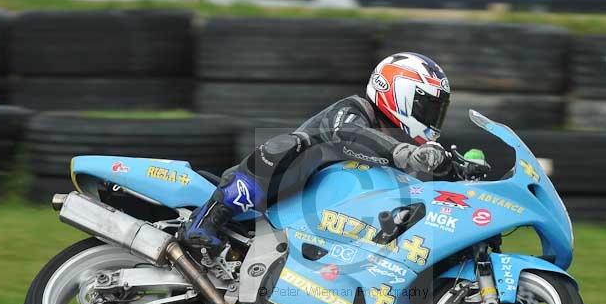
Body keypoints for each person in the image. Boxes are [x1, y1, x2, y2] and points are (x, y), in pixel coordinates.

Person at [181, 52, 460, 250]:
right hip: (275, 198)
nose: (432, 117)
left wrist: (452, 171)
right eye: (427, 106)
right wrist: (403, 152)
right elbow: (349, 134)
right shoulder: (353, 111)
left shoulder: (406, 149)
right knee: (293, 144)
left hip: (327, 224)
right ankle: (209, 216)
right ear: (397, 92)